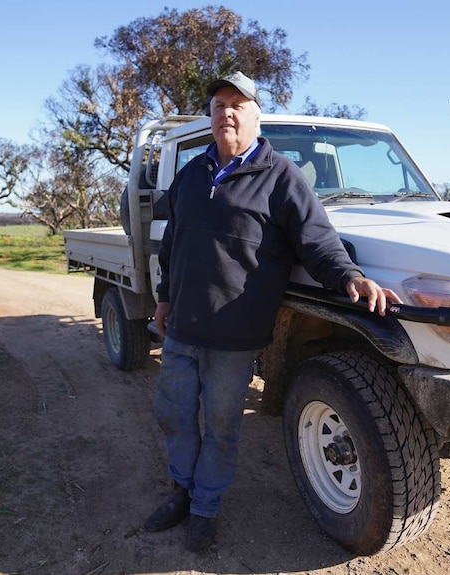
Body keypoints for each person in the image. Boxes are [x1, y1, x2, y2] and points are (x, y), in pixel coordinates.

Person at [144, 71, 401, 552]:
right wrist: (163, 296)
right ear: (210, 117)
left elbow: (317, 240)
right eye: (219, 104)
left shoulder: (282, 176)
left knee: (221, 427)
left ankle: (205, 508)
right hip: (181, 327)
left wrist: (350, 276)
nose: (227, 112)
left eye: (238, 104)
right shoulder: (190, 176)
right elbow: (173, 244)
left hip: (233, 335)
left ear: (257, 116)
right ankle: (182, 489)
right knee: (173, 414)